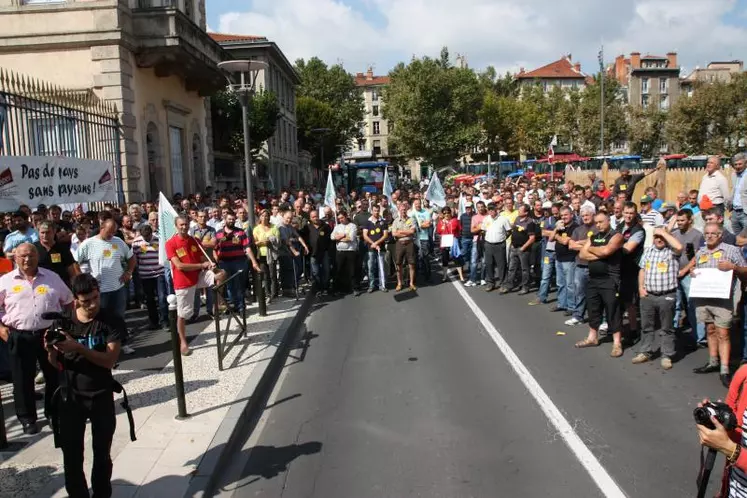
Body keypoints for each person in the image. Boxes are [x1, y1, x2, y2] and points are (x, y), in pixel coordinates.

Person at [47, 273, 124, 498]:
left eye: (95, 298)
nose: (92, 305)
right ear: (75, 300)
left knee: (102, 454)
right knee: (71, 456)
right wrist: (51, 350)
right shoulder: (63, 321)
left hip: (100, 393)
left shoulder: (111, 320)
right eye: (85, 301)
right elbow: (54, 364)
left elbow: (109, 360)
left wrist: (78, 348)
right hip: (70, 395)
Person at [0, 243, 74, 434]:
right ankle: (27, 418)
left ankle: (53, 413)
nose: (27, 259)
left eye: (31, 255)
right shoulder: (6, 281)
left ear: (37, 257)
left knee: (53, 376)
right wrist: (1, 328)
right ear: (15, 258)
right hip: (19, 335)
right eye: (23, 256)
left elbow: (68, 301)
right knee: (22, 380)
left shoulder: (52, 277)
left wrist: (65, 326)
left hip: (48, 335)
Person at [690, 222, 747, 387]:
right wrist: (694, 272)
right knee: (710, 329)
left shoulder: (731, 250)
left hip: (722, 299)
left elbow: (745, 270)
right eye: (706, 233)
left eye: (713, 234)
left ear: (720, 235)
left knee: (723, 333)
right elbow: (697, 269)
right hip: (704, 298)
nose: (709, 236)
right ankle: (713, 361)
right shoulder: (701, 252)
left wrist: (733, 267)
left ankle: (724, 368)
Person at [166, 216, 226, 355]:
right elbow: (179, 266)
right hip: (184, 281)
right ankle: (183, 342)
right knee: (183, 315)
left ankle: (218, 303)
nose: (184, 227)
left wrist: (210, 262)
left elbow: (202, 257)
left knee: (221, 274)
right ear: (176, 226)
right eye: (181, 225)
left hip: (198, 275)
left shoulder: (194, 240)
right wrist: (201, 264)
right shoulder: (171, 243)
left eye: (186, 224)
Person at [76, 217, 136, 354]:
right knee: (100, 319)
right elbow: (75, 263)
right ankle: (103, 348)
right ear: (101, 228)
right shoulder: (88, 244)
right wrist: (84, 281)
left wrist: (128, 272)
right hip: (99, 291)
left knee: (119, 317)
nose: (111, 235)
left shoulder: (118, 242)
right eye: (109, 232)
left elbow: (131, 258)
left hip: (118, 287)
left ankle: (122, 343)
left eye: (114, 232)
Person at [577, 212, 625, 357]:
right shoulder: (594, 236)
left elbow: (606, 251)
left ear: (608, 221)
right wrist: (598, 253)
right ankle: (592, 337)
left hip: (610, 279)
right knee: (593, 309)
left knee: (613, 310)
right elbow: (582, 255)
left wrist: (591, 248)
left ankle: (617, 343)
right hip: (593, 279)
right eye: (596, 222)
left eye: (601, 222)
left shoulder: (616, 236)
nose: (598, 225)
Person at [634, 228, 683, 369]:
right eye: (656, 237)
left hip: (666, 294)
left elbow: (680, 247)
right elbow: (642, 269)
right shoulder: (648, 251)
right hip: (648, 294)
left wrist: (664, 233)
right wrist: (640, 288)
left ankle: (666, 355)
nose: (659, 239)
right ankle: (645, 351)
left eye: (662, 237)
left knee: (666, 327)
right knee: (646, 326)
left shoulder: (671, 251)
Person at [132, 224, 168, 330]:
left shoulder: (158, 240)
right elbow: (135, 258)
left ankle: (164, 321)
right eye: (144, 237)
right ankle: (154, 321)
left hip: (159, 273)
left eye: (148, 236)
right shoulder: (136, 242)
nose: (146, 239)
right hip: (145, 275)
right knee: (149, 299)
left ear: (151, 233)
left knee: (162, 298)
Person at [500, 204, 536, 295]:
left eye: (520, 210)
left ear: (526, 212)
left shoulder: (530, 222)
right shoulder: (517, 219)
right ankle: (509, 285)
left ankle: (525, 287)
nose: (518, 211)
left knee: (525, 269)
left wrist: (523, 248)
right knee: (511, 268)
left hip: (523, 249)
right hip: (514, 247)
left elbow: (532, 238)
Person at [35, 221, 79, 288]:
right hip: (41, 287)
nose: (45, 235)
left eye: (48, 232)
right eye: (42, 233)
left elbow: (72, 272)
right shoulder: (33, 249)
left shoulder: (63, 249)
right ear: (38, 232)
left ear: (54, 231)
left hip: (61, 286)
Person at [483, 203, 512, 293]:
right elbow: (483, 230)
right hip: (488, 244)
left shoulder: (503, 219)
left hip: (499, 245)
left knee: (501, 265)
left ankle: (503, 284)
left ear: (496, 210)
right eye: (489, 210)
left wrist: (502, 239)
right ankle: (490, 283)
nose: (491, 211)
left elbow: (509, 231)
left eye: (493, 209)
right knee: (489, 264)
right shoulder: (486, 219)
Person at [391, 202, 417, 291]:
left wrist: (400, 232)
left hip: (409, 243)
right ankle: (399, 283)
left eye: (405, 210)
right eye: (402, 210)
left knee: (411, 264)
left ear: (407, 210)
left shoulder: (412, 219)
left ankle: (411, 283)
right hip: (399, 244)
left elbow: (412, 231)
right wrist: (406, 232)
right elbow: (394, 233)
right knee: (399, 264)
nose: (403, 211)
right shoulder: (395, 221)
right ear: (399, 210)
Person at [363, 203, 390, 292]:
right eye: (375, 210)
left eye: (378, 211)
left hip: (380, 248)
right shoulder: (367, 222)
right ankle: (371, 285)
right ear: (371, 211)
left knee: (381, 267)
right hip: (370, 248)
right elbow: (365, 235)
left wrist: (377, 243)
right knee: (371, 267)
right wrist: (373, 243)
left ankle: (382, 285)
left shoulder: (383, 222)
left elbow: (385, 235)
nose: (376, 212)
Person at [331, 210, 359, 296]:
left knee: (352, 270)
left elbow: (351, 238)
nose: (340, 220)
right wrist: (343, 235)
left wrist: (339, 237)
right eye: (339, 218)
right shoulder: (337, 227)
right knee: (339, 271)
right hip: (340, 252)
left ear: (346, 216)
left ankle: (355, 288)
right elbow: (332, 237)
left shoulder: (352, 226)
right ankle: (339, 289)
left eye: (342, 218)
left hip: (350, 251)